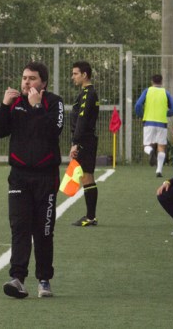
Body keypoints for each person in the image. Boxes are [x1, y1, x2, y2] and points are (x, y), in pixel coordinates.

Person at [0, 61, 64, 299]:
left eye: (32, 78)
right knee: (19, 227)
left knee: (43, 231)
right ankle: (17, 279)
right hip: (19, 177)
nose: (26, 82)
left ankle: (44, 279)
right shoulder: (15, 104)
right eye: (24, 78)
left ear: (43, 82)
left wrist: (36, 108)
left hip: (46, 178)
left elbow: (52, 130)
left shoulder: (54, 103)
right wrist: (3, 105)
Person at [69, 61, 100, 227]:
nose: (73, 77)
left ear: (84, 75)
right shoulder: (86, 93)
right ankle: (90, 216)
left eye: (75, 73)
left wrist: (76, 142)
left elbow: (82, 120)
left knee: (87, 176)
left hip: (85, 140)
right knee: (84, 176)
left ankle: (90, 217)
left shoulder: (88, 94)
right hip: (85, 139)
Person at [134, 74, 173, 177]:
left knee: (147, 146)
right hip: (162, 123)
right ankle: (159, 170)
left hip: (148, 122)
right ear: (161, 82)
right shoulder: (165, 92)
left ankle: (150, 152)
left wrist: (142, 114)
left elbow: (138, 105)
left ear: (151, 81)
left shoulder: (147, 91)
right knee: (161, 147)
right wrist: (166, 113)